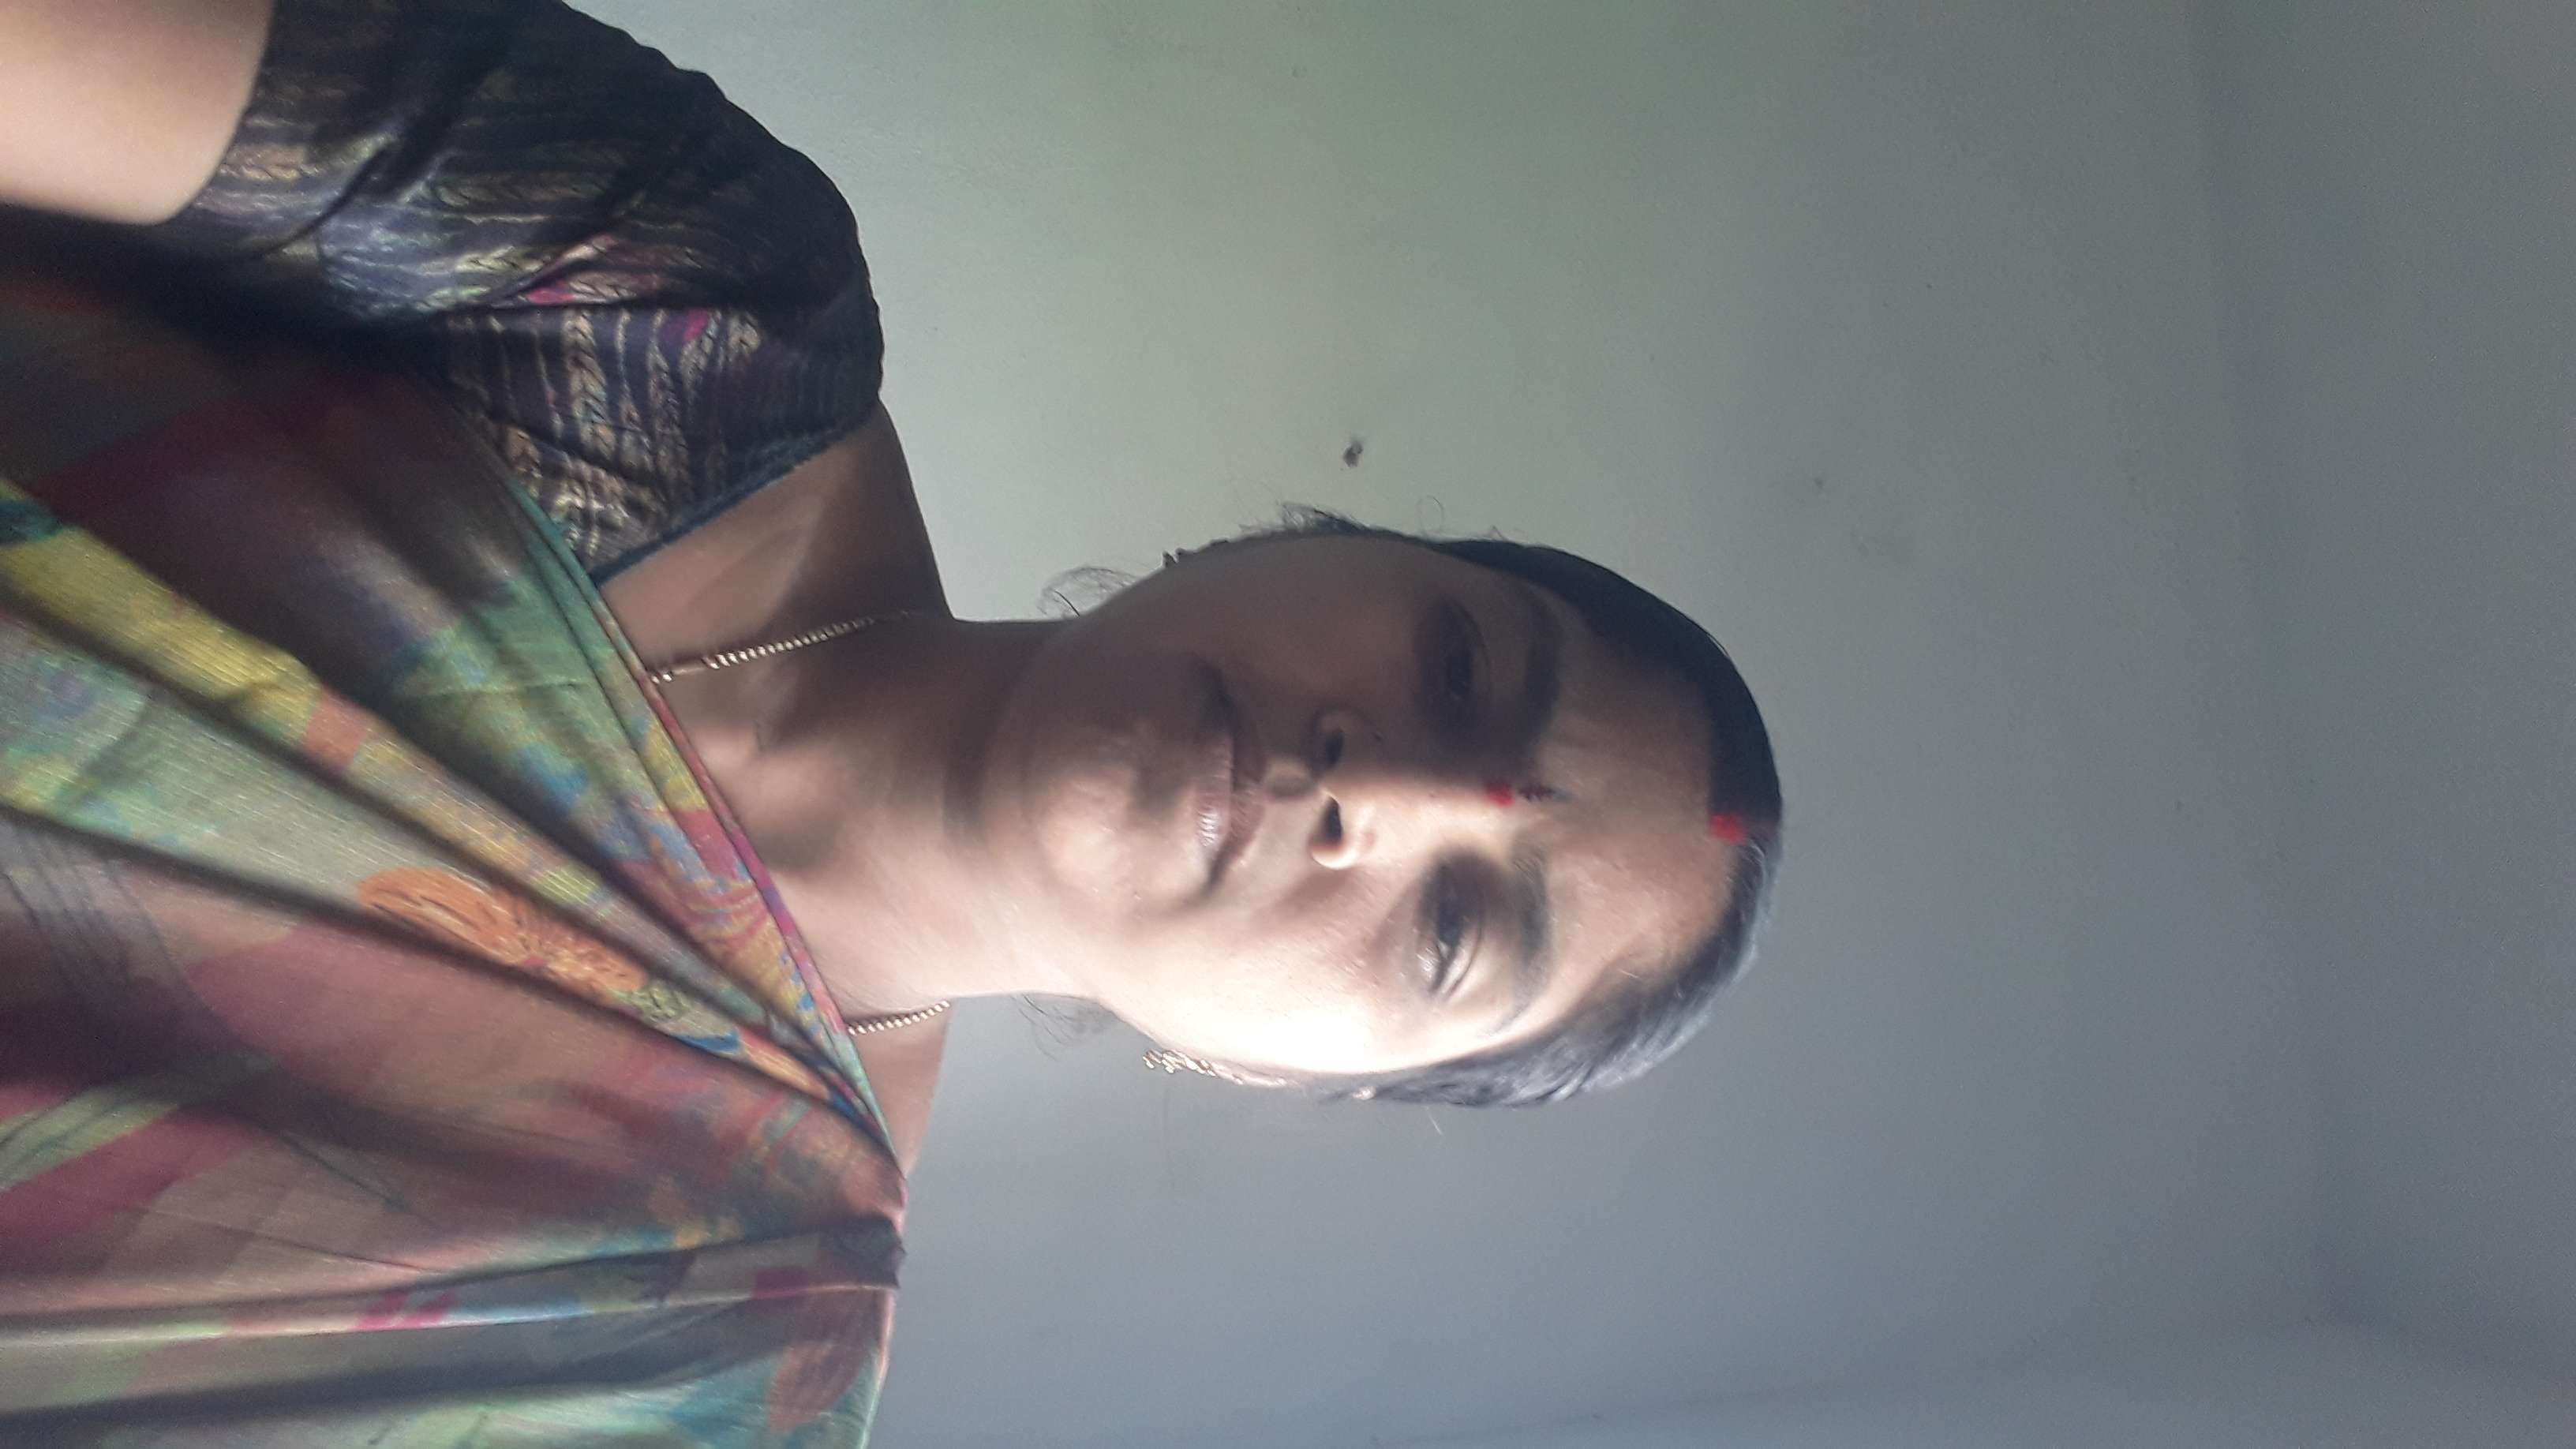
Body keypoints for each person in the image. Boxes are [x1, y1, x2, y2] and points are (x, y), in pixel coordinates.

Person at [0, 0, 1783, 1443]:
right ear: (1315, 540)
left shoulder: (694, 1341)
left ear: (1279, 1074)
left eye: (1454, 930)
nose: (1378, 789)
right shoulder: (689, 298)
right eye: (1460, 667)